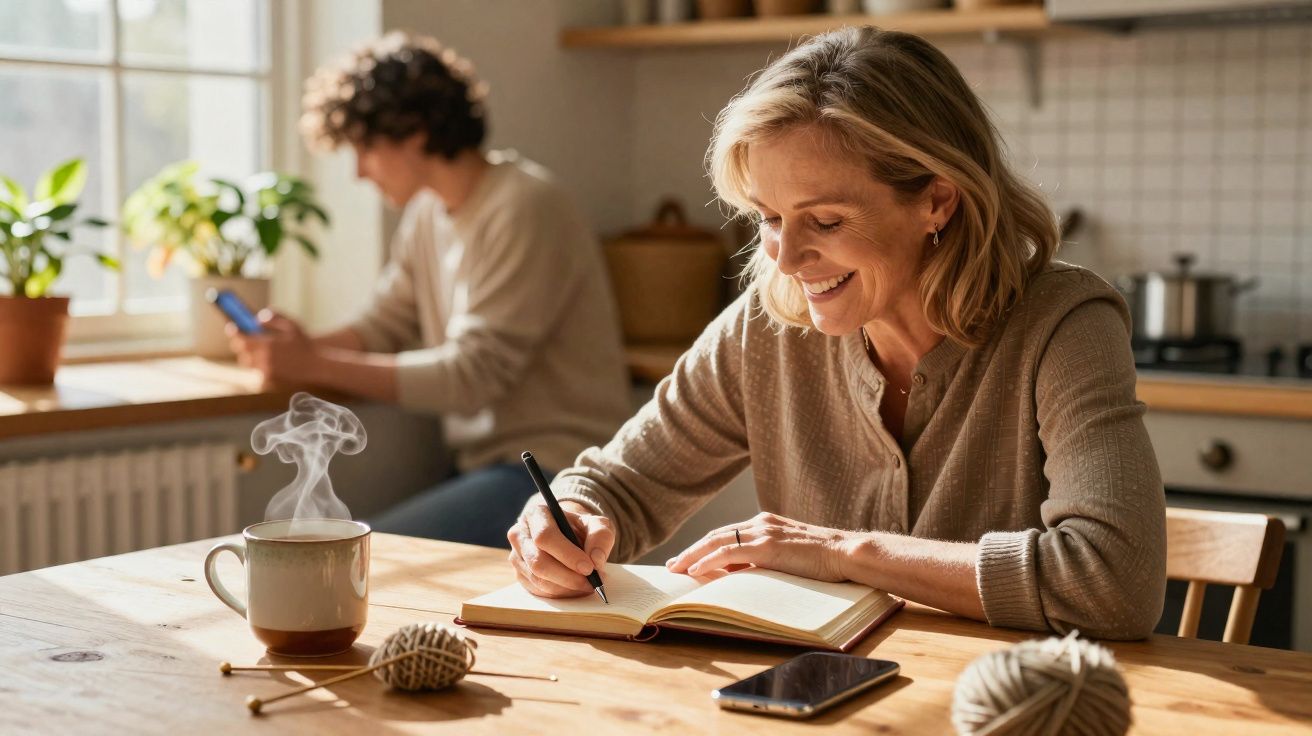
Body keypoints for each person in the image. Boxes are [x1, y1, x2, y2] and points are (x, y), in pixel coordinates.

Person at [507, 26, 1166, 639]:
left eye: (823, 221)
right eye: (768, 217)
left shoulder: (1063, 323)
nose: (785, 260)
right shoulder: (766, 330)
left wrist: (846, 553)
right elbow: (617, 486)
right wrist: (560, 520)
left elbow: (1113, 582)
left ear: (936, 201)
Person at [230, 32, 631, 548]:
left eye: (366, 148)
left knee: (361, 551)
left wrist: (313, 365)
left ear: (415, 132)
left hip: (555, 474)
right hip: (486, 471)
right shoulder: (427, 214)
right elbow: (385, 323)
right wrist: (298, 348)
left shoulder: (525, 207)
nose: (358, 172)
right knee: (357, 551)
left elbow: (473, 375)